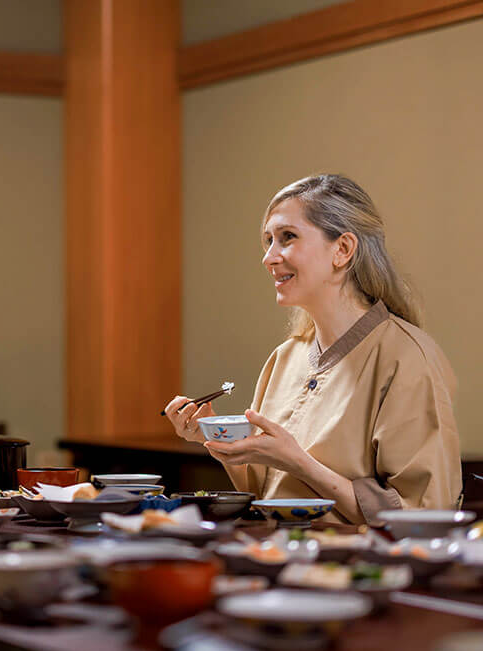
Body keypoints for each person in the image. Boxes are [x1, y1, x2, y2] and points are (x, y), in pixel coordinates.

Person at [165, 174, 461, 524]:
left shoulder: (409, 359)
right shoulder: (284, 358)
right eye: (268, 241)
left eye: (287, 237)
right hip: (276, 560)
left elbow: (421, 516)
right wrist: (213, 436)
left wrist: (298, 462)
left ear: (342, 250)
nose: (269, 258)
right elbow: (267, 490)